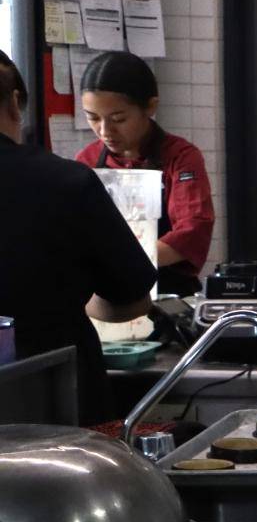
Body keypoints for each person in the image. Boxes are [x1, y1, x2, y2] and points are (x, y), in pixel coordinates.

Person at [0, 47, 157, 423]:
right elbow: (134, 297)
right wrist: (82, 304)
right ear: (16, 101)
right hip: (53, 414)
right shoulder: (66, 181)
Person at [73, 50, 214, 296]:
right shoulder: (86, 161)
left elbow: (193, 230)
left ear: (150, 106)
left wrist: (125, 261)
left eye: (118, 118)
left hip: (167, 293)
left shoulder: (180, 157)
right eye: (93, 118)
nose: (105, 130)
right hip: (103, 296)